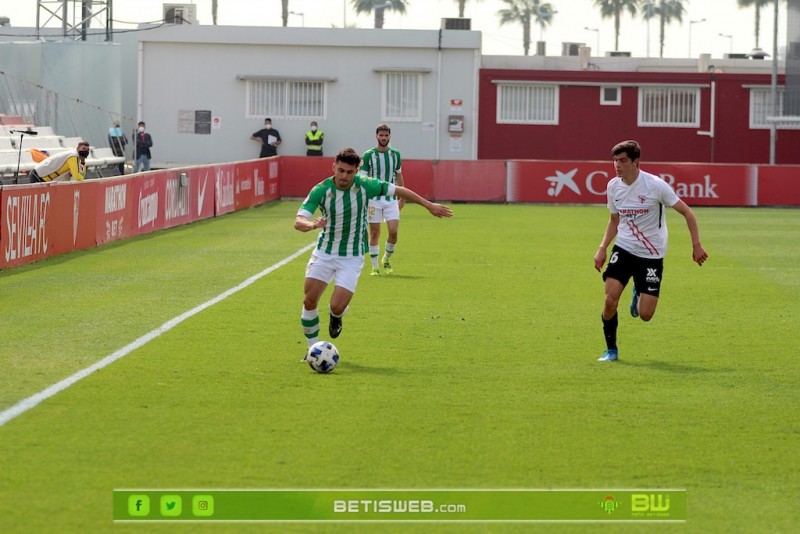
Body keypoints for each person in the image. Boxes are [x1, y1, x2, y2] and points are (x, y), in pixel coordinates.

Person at [295, 147, 452, 358]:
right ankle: (312, 350)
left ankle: (336, 316)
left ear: (357, 171)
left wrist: (428, 204)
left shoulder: (365, 186)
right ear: (334, 167)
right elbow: (299, 221)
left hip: (352, 256)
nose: (344, 176)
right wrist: (313, 225)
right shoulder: (321, 190)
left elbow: (398, 190)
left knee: (337, 305)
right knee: (309, 301)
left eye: (349, 172)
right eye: (340, 170)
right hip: (324, 253)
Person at [593, 140, 709, 362]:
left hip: (651, 255)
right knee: (610, 300)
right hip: (624, 248)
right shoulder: (613, 186)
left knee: (645, 315)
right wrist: (602, 248)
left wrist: (696, 245)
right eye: (615, 161)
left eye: (623, 161)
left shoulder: (655, 186)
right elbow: (614, 220)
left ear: (636, 162)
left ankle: (638, 290)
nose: (617, 165)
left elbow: (687, 212)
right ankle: (611, 350)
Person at [361, 123, 404, 275]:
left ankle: (386, 259)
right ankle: (374, 267)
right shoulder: (368, 155)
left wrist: (402, 197)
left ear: (389, 136)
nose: (384, 138)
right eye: (381, 135)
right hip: (373, 199)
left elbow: (398, 175)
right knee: (374, 233)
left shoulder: (395, 154)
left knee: (393, 232)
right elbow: (362, 178)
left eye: (386, 135)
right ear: (376, 136)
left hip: (391, 199)